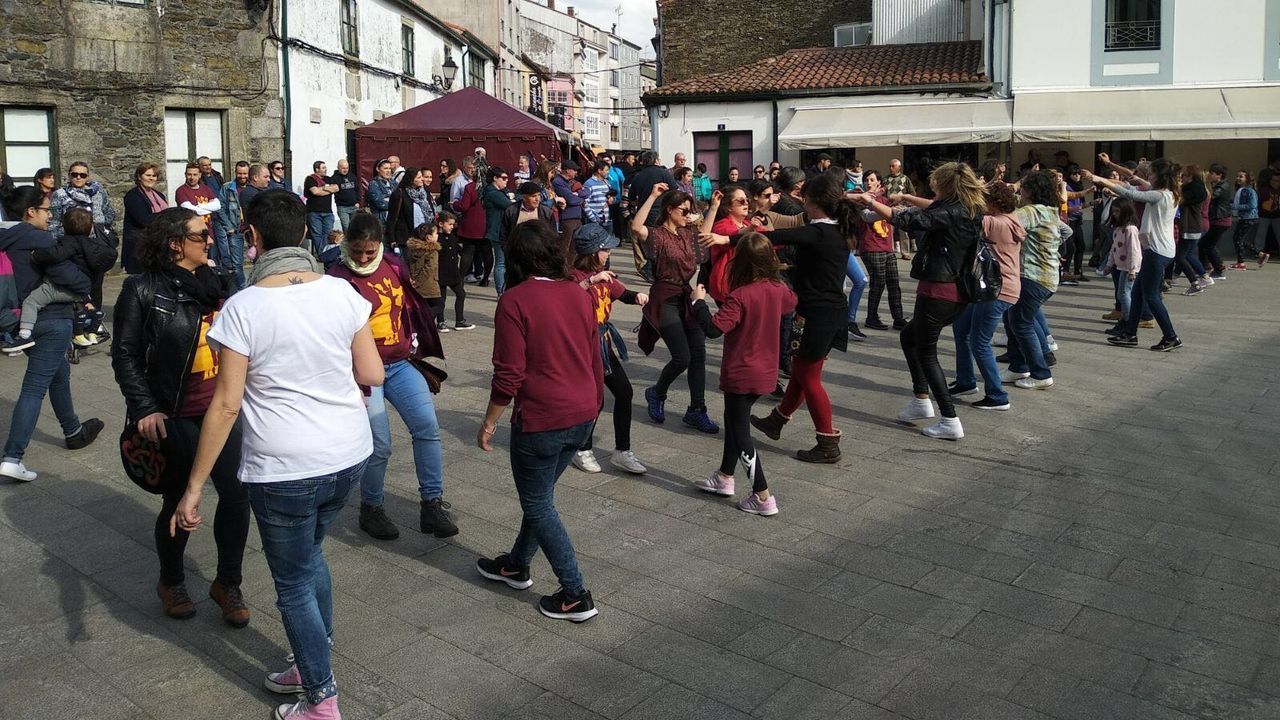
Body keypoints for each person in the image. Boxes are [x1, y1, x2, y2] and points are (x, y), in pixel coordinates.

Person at [170, 188, 383, 720]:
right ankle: (314, 661)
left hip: (284, 467)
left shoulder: (243, 307)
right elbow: (372, 375)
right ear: (306, 236)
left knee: (291, 581)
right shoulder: (342, 293)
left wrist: (193, 487)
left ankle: (321, 699)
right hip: (348, 453)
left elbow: (224, 405)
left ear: (253, 237)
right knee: (310, 557)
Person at [111, 206, 250, 624]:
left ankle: (227, 582)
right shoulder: (141, 289)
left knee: (237, 494)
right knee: (180, 496)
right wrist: (144, 407)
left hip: (221, 408)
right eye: (199, 235)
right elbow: (125, 354)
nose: (209, 240)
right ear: (175, 244)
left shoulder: (219, 284)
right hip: (176, 412)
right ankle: (171, 579)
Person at [475, 219, 603, 623]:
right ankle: (516, 564)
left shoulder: (514, 300)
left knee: (539, 503)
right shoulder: (578, 294)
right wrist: (595, 406)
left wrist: (490, 421)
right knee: (541, 498)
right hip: (582, 412)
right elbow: (594, 356)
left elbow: (508, 374)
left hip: (543, 420)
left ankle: (574, 592)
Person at [329, 213, 455, 542]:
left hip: (400, 364)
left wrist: (415, 339)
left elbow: (410, 304)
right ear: (347, 244)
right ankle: (371, 508)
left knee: (427, 427)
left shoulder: (394, 264)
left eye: (370, 251)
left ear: (380, 245)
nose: (363, 257)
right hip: (362, 373)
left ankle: (432, 504)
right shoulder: (337, 278)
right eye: (357, 250)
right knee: (380, 444)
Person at [854, 163, 984, 440]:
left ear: (946, 186)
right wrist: (908, 198)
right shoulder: (967, 208)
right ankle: (921, 400)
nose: (933, 188)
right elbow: (933, 209)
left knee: (926, 352)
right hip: (957, 291)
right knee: (909, 337)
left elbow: (906, 221)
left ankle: (949, 419)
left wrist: (871, 201)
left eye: (936, 184)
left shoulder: (948, 211)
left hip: (940, 291)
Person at [745, 173, 855, 461]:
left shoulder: (818, 232)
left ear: (811, 200)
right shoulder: (837, 229)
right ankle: (776, 420)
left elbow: (775, 237)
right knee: (803, 370)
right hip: (828, 312)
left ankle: (828, 442)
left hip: (818, 314)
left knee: (808, 376)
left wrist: (742, 234)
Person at [0, 186, 103, 484]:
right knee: (34, 388)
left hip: (22, 321)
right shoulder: (39, 239)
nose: (50, 215)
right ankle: (12, 457)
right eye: (46, 210)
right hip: (52, 321)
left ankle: (73, 431)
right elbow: (67, 276)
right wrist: (85, 286)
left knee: (58, 374)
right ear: (30, 212)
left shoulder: (7, 239)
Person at [690, 233, 796, 515]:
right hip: (766, 372)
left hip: (741, 372)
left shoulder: (740, 296)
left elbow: (714, 329)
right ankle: (725, 476)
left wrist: (698, 303)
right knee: (733, 420)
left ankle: (763, 496)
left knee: (741, 432)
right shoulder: (778, 288)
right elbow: (791, 303)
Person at [631, 183, 721, 434]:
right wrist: (652, 195)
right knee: (682, 357)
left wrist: (713, 208)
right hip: (664, 297)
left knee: (698, 356)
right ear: (670, 210)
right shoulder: (658, 235)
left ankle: (696, 410)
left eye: (690, 210)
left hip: (685, 295)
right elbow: (636, 227)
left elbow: (703, 239)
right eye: (683, 210)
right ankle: (657, 392)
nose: (688, 214)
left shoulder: (687, 234)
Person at [569, 226, 649, 475]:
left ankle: (622, 451)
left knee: (624, 392)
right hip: (581, 346)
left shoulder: (603, 274)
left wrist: (637, 296)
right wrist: (589, 282)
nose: (608, 253)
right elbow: (566, 298)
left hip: (602, 343)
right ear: (592, 252)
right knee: (594, 399)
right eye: (604, 249)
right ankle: (582, 449)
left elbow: (620, 292)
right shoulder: (573, 276)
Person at [1085, 158, 1184, 351]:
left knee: (1151, 296)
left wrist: (1099, 179)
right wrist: (1114, 168)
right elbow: (1137, 181)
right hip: (1157, 250)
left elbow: (1128, 192)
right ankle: (1130, 334)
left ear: (1161, 176)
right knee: (1137, 294)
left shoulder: (1160, 196)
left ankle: (1171, 337)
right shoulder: (1169, 193)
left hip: (1157, 251)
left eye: (1152, 173)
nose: (1149, 176)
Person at [949, 181, 1024, 412]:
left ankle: (998, 395)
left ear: (993, 203)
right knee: (961, 328)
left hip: (998, 290)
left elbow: (956, 216)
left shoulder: (996, 223)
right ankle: (965, 382)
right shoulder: (1011, 219)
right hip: (997, 287)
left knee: (980, 343)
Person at [996, 171, 1070, 390]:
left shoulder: (1033, 211)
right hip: (1042, 275)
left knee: (1021, 323)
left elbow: (1005, 223)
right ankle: (1019, 366)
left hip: (1034, 276)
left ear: (1031, 190)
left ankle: (1041, 372)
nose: (1021, 190)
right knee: (1013, 318)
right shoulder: (1049, 211)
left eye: (1024, 187)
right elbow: (1066, 232)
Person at [1, 208, 113, 353]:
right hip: (83, 289)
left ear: (64, 226)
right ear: (91, 227)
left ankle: (24, 335)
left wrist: (37, 256)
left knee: (32, 301)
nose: (50, 215)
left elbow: (55, 256)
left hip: (64, 288)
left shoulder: (68, 243)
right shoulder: (94, 246)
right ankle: (91, 327)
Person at [856, 170, 906, 332]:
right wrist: (888, 212)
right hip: (871, 247)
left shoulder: (885, 201)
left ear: (879, 183)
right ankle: (872, 317)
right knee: (878, 282)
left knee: (893, 283)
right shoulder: (861, 200)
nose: (868, 183)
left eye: (871, 180)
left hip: (887, 247)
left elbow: (898, 213)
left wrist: (896, 209)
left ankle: (898, 318)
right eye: (866, 180)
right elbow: (867, 216)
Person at [1101, 198, 1141, 338]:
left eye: (1118, 211)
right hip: (1121, 267)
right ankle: (1124, 320)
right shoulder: (1118, 229)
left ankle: (1129, 322)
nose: (1115, 214)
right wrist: (1108, 265)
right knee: (1121, 294)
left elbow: (1134, 251)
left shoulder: (1130, 229)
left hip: (1129, 268)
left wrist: (1132, 270)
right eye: (1114, 211)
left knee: (1124, 294)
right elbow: (1113, 249)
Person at [48, 161, 117, 240]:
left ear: (87, 177)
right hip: (71, 241)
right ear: (69, 176)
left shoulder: (99, 193)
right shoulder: (59, 194)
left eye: (82, 175)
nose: (78, 177)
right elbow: (54, 221)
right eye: (74, 174)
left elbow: (108, 214)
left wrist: (105, 231)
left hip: (97, 240)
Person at [123, 163, 170, 275]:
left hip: (157, 245)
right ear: (139, 177)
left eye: (154, 176)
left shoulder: (159, 195)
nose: (151, 178)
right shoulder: (133, 196)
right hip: (139, 247)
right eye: (148, 175)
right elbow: (143, 219)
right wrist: (166, 216)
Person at [452, 165, 494, 286]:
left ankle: (460, 279)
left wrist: (455, 204)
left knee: (467, 252)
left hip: (471, 224)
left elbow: (464, 206)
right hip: (487, 224)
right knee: (487, 252)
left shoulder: (470, 187)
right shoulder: (491, 188)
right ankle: (485, 278)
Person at [433, 210, 471, 331]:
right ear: (441, 224)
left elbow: (457, 249)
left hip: (453, 273)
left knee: (461, 294)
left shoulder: (452, 237)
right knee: (441, 299)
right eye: (449, 224)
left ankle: (459, 320)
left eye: (453, 224)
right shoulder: (437, 239)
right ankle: (440, 322)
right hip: (441, 273)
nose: (452, 227)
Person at [215, 162, 250, 288]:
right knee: (237, 265)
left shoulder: (253, 188)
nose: (242, 176)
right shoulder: (228, 187)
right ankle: (242, 289)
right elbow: (220, 207)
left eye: (245, 173)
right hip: (236, 230)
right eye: (239, 173)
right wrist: (228, 226)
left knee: (258, 261)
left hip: (251, 231)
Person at [387, 168, 434, 253]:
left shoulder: (425, 191)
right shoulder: (399, 194)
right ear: (411, 180)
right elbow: (391, 218)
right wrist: (392, 240)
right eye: (419, 177)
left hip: (425, 237)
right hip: (406, 238)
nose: (422, 179)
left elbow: (431, 210)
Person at [483, 167, 513, 293]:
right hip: (497, 231)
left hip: (502, 231)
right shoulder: (492, 193)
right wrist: (510, 197)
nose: (506, 181)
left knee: (504, 262)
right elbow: (509, 205)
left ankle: (503, 289)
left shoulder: (499, 192)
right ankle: (501, 291)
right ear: (495, 178)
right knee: (500, 263)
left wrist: (509, 194)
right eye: (504, 178)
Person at [1201, 163, 1232, 279]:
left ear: (1219, 175)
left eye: (1212, 173)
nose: (1210, 175)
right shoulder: (1219, 185)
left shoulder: (1222, 187)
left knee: (1208, 245)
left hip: (1221, 220)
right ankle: (1206, 267)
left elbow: (1211, 196)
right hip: (1216, 219)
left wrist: (1203, 184)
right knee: (1205, 244)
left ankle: (1218, 269)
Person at [405, 221, 442, 317]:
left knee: (423, 305)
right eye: (436, 234)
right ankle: (424, 320)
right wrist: (417, 281)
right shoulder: (432, 251)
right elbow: (429, 268)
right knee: (439, 305)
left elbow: (406, 264)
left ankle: (423, 324)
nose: (437, 236)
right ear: (429, 237)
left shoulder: (412, 249)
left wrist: (411, 280)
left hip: (414, 284)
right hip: (429, 284)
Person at [551, 160, 586, 259]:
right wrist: (581, 199)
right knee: (564, 249)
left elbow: (586, 192)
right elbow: (571, 200)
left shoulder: (573, 182)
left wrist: (578, 195)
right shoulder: (558, 182)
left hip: (577, 218)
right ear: (567, 170)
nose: (576, 172)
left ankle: (571, 271)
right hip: (567, 219)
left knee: (574, 249)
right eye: (574, 170)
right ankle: (562, 271)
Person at [303, 162, 339, 255]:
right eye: (323, 168)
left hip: (328, 212)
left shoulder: (328, 179)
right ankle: (322, 254)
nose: (325, 169)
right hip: (314, 212)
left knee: (328, 234)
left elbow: (336, 188)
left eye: (325, 167)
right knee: (317, 234)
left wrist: (322, 189)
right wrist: (328, 189)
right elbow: (315, 192)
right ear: (317, 169)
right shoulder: (310, 179)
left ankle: (326, 252)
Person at [175, 162, 222, 233]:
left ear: (200, 175)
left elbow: (217, 205)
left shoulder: (206, 189)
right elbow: (190, 210)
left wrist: (199, 206)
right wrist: (210, 209)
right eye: (189, 174)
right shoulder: (181, 191)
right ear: (185, 175)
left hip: (208, 231)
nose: (192, 177)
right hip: (190, 232)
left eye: (195, 174)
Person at [884, 159, 915, 259]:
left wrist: (906, 203)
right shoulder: (885, 179)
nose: (891, 168)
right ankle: (890, 250)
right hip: (889, 207)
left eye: (893, 166)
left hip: (902, 207)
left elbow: (912, 192)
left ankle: (905, 252)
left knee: (903, 231)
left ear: (899, 167)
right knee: (889, 231)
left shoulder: (905, 179)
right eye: (890, 166)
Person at [1231, 170, 1259, 269]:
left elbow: (1252, 205)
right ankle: (1260, 255)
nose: (1238, 178)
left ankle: (1241, 263)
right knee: (1239, 239)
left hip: (1248, 217)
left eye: (1241, 176)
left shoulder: (1250, 191)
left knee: (1237, 239)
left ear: (1247, 179)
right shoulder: (1240, 189)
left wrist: (1234, 206)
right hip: (1243, 217)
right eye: (1237, 176)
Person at [330, 159, 360, 233]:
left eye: (347, 168)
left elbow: (357, 189)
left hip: (354, 206)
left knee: (355, 227)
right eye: (343, 168)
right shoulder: (334, 178)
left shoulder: (352, 176)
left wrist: (358, 201)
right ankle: (347, 244)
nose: (345, 170)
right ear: (338, 167)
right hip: (342, 207)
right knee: (346, 227)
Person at [365, 159, 395, 225]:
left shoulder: (394, 182)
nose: (388, 171)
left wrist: (388, 199)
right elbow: (380, 204)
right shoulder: (374, 184)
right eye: (385, 168)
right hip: (380, 221)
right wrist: (394, 202)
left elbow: (400, 199)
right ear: (378, 169)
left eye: (389, 168)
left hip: (394, 219)